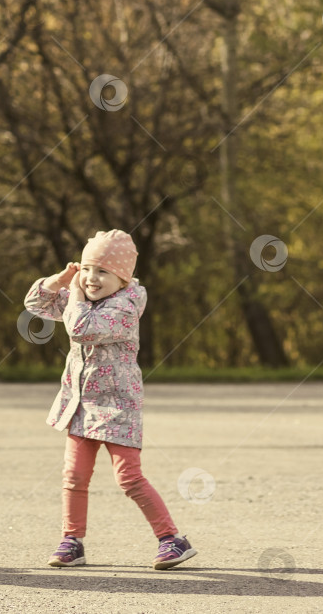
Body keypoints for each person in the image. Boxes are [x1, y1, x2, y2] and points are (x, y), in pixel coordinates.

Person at [23, 229, 197, 570]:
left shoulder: (124, 306)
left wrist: (72, 295)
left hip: (118, 407)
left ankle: (171, 539)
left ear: (123, 278)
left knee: (129, 478)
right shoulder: (80, 297)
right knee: (73, 476)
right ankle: (72, 541)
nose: (91, 279)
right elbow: (35, 303)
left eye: (102, 272)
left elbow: (80, 329)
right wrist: (60, 280)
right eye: (87, 269)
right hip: (80, 405)